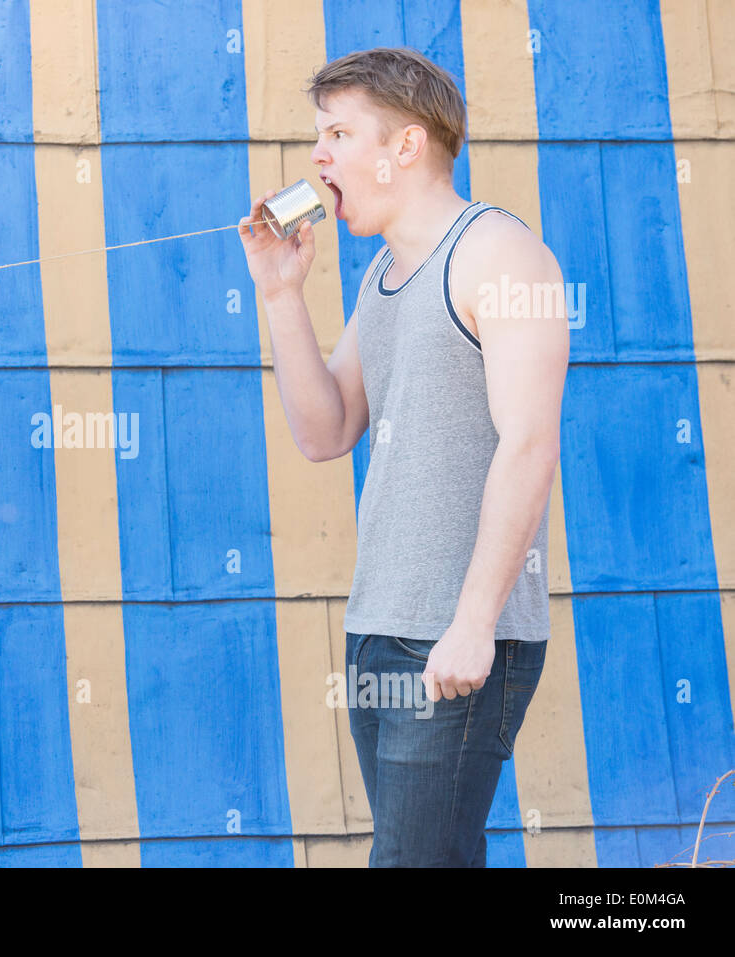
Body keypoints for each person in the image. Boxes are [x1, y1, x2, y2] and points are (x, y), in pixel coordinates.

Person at [239, 48, 569, 866]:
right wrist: (281, 294)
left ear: (408, 147)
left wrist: (474, 623)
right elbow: (325, 431)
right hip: (380, 629)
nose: (318, 157)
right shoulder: (384, 275)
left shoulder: (497, 253)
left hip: (452, 637)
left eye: (340, 133)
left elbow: (530, 442)